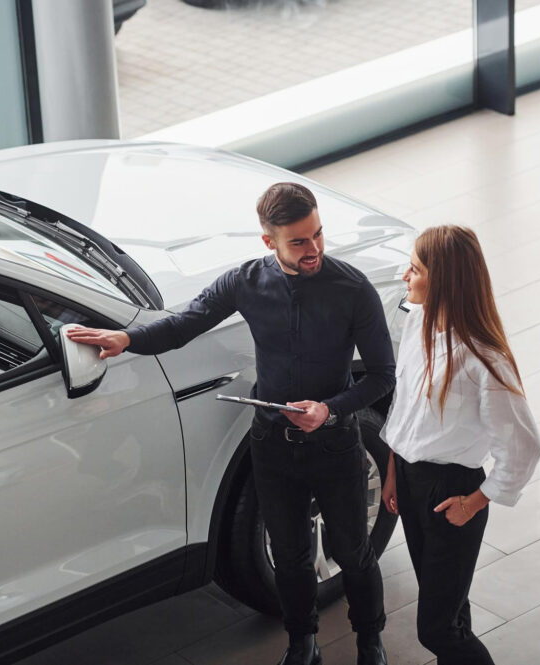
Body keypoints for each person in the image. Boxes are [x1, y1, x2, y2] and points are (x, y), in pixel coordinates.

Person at [66, 182, 395, 665]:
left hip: (335, 445)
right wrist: (126, 339)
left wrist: (329, 410)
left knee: (353, 552)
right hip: (273, 446)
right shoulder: (244, 282)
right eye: (299, 241)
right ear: (269, 242)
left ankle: (370, 641)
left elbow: (384, 376)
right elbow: (184, 324)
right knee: (290, 557)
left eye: (318, 234)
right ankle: (302, 644)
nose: (314, 249)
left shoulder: (353, 289)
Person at [380, 225, 540, 665]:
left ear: (443, 280)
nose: (404, 276)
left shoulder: (483, 358)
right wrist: (393, 468)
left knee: (435, 629)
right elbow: (403, 403)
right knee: (450, 612)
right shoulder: (417, 322)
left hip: (450, 493)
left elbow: (525, 445)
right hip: (410, 481)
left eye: (414, 269)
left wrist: (474, 503)